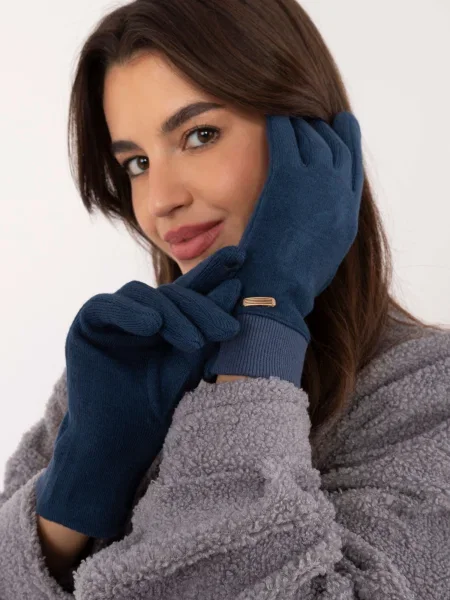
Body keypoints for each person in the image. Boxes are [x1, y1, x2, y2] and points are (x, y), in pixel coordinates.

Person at [1, 0, 448, 598]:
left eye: (199, 135)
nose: (159, 199)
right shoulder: (118, 371)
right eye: (136, 163)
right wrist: (76, 488)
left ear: (310, 142)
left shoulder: (431, 396)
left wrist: (262, 330)